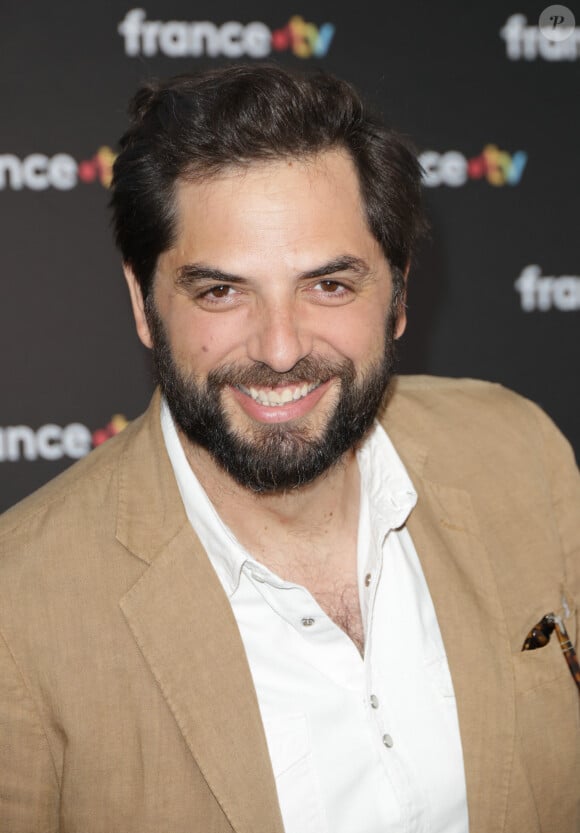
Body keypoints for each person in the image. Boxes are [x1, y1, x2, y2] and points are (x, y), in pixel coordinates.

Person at [0, 65, 578, 833]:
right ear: (144, 305)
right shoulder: (22, 608)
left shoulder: (519, 448)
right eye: (221, 291)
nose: (279, 349)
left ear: (399, 294)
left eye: (329, 286)